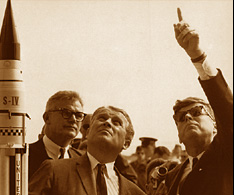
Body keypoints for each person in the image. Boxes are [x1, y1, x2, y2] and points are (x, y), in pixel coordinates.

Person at [155, 8, 233, 195]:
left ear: (215, 126)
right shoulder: (172, 176)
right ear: (179, 136)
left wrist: (197, 56)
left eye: (197, 112)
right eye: (181, 118)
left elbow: (227, 111)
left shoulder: (227, 154)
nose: (188, 117)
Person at [29, 105, 146, 195]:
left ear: (126, 143)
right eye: (101, 119)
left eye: (116, 123)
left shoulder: (133, 191)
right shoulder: (54, 170)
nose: (107, 123)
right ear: (88, 133)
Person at [29, 90, 86, 180]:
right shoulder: (24, 157)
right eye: (66, 113)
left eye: (78, 115)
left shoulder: (83, 161)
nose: (73, 119)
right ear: (47, 118)